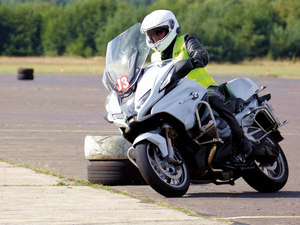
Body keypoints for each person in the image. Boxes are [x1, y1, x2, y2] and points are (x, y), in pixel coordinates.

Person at [140, 9, 253, 159]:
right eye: (151, 34)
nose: (155, 37)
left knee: (214, 101)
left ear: (170, 28)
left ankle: (242, 141)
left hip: (204, 89)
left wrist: (197, 59)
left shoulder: (185, 41)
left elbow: (201, 53)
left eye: (159, 32)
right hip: (179, 96)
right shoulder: (155, 58)